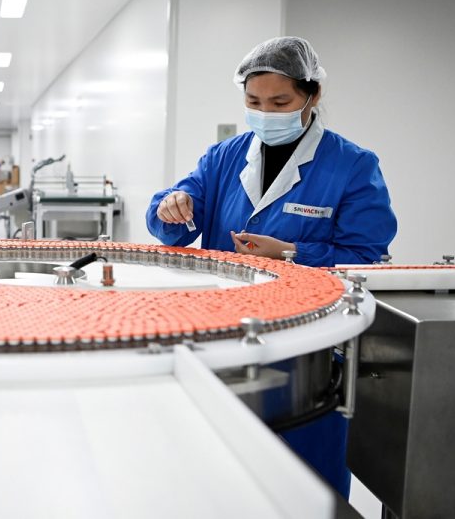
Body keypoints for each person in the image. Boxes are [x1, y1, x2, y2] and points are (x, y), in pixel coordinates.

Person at [145, 36, 397, 497]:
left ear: (312, 95)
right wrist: (169, 207)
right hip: (224, 335)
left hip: (308, 348)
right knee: (218, 476)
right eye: (254, 101)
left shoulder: (353, 166)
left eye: (281, 101)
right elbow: (174, 223)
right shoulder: (224, 156)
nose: (266, 112)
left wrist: (293, 254)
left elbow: (367, 257)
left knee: (305, 482)